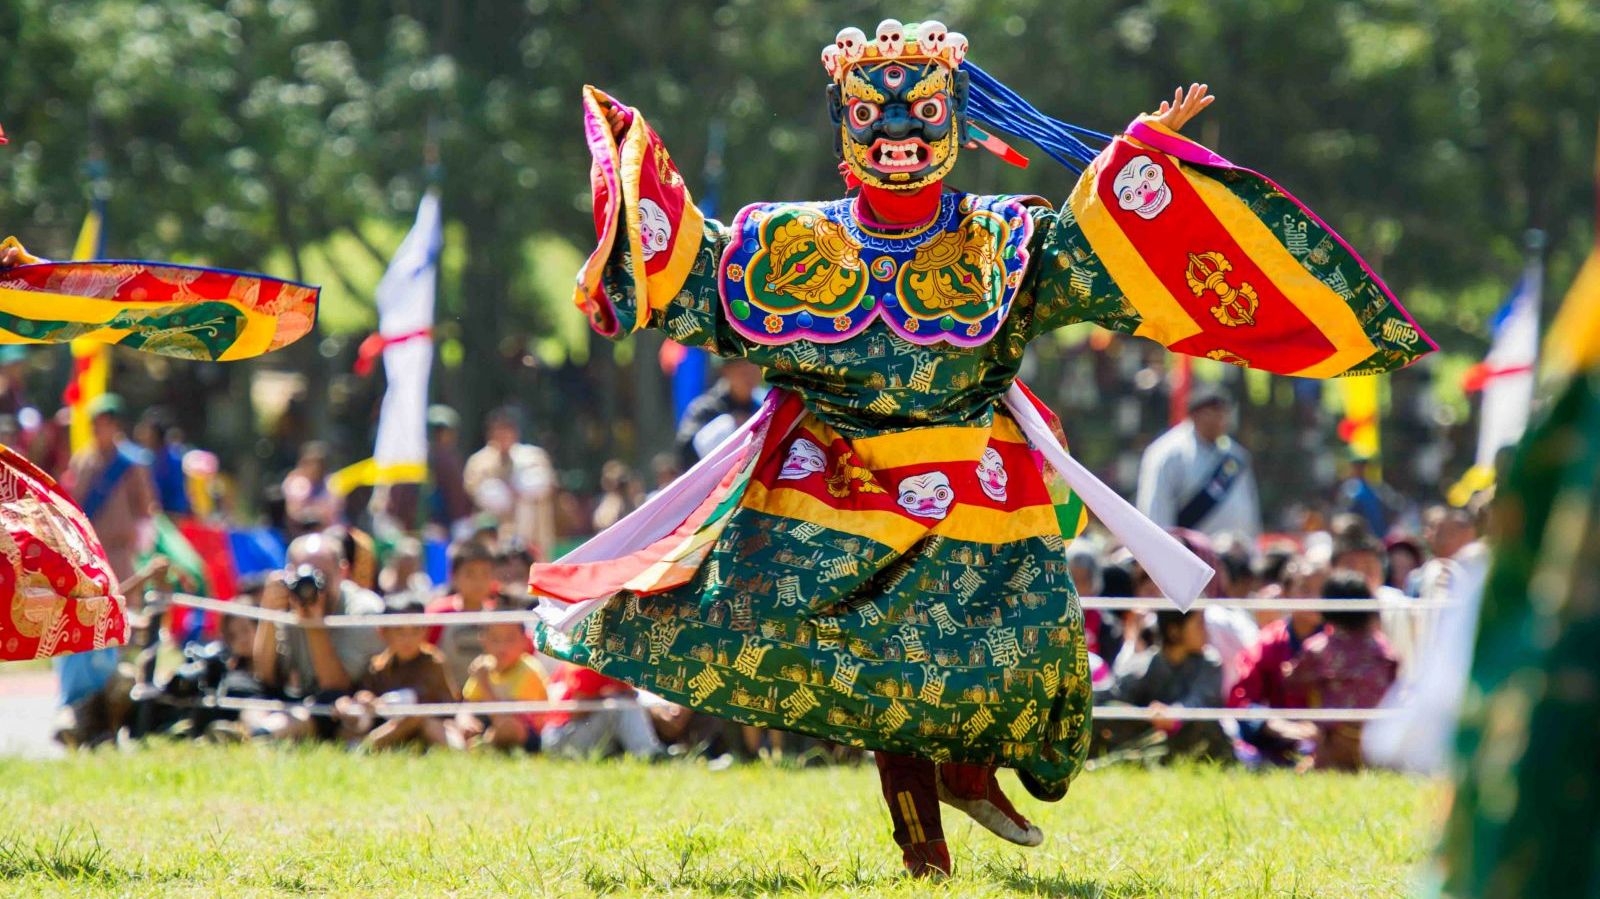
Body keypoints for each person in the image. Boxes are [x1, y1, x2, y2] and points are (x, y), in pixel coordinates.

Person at [538, 18, 1432, 878]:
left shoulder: (1001, 234)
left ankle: (971, 771)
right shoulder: (788, 237)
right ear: (841, 124)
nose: (896, 130)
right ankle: (923, 846)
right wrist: (637, 169)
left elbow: (1093, 253)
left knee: (1032, 643)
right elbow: (699, 280)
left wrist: (1138, 158)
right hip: (835, 483)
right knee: (880, 662)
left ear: (957, 119)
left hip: (975, 481)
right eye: (871, 113)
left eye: (920, 111)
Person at [248, 533, 385, 740]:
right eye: (302, 576)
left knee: (326, 701)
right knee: (248, 691)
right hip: (303, 699)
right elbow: (266, 676)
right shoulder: (286, 602)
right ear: (288, 574)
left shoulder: (365, 611)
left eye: (321, 576)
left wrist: (314, 625)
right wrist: (268, 616)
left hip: (348, 707)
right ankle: (249, 731)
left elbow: (336, 686)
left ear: (343, 571)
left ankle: (263, 733)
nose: (309, 587)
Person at [1282, 569, 1398, 770]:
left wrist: (1288, 669)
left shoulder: (1320, 649)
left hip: (1335, 746)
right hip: (1379, 744)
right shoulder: (1383, 648)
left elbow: (1291, 681)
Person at [334, 592, 461, 751]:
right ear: (383, 632)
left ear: (425, 631)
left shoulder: (433, 662)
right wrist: (364, 699)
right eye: (399, 631)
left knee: (416, 717)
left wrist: (383, 704)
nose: (408, 639)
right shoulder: (378, 665)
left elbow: (431, 704)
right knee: (348, 718)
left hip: (426, 725)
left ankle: (367, 746)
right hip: (384, 724)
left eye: (415, 630)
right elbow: (364, 694)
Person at [1136, 387, 1261, 540]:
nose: (1221, 418)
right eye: (1213, 411)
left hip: (1233, 556)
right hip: (1187, 554)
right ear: (1195, 414)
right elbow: (1155, 510)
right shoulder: (1169, 453)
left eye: (1224, 412)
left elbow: (1249, 510)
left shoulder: (1235, 456)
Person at [1107, 609, 1229, 759]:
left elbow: (1199, 700)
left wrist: (1172, 715)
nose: (1206, 631)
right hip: (1151, 736)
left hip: (1196, 741)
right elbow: (1114, 695)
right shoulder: (1145, 665)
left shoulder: (1209, 665)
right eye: (1199, 624)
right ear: (1174, 631)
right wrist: (1146, 715)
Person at [1228, 602, 1324, 765]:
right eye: (1305, 588)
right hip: (1278, 738)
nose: (1313, 597)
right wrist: (1274, 724)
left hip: (1329, 740)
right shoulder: (1267, 643)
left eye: (1319, 589)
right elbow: (1243, 701)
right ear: (1288, 594)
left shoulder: (1339, 644)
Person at [463, 406, 557, 561]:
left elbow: (549, 486)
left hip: (534, 538)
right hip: (496, 539)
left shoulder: (534, 457)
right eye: (499, 430)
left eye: (508, 429)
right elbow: (473, 491)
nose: (503, 435)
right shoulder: (479, 462)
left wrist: (522, 490)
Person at [424, 539, 506, 688]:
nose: (478, 582)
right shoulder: (438, 614)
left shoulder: (499, 616)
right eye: (470, 574)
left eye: (485, 574)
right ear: (454, 577)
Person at [540, 662, 662, 760]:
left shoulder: (620, 660)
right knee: (619, 704)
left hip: (573, 733)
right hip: (560, 738)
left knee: (623, 703)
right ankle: (649, 754)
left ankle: (652, 750)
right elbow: (577, 711)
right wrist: (609, 696)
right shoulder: (591, 658)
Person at [459, 621, 549, 752]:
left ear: (525, 640)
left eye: (510, 639)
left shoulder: (529, 670)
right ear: (483, 640)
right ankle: (474, 745)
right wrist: (465, 720)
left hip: (526, 732)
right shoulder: (484, 666)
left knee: (508, 727)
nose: (502, 647)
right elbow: (468, 703)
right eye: (495, 639)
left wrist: (484, 683)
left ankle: (482, 748)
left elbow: (505, 719)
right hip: (489, 724)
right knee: (453, 726)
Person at [675, 359, 763, 469]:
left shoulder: (765, 407)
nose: (749, 374)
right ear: (726, 371)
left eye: (754, 366)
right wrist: (729, 427)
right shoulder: (705, 409)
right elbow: (686, 453)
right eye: (742, 368)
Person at [425, 404, 472, 536]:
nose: (442, 437)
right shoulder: (414, 459)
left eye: (446, 432)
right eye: (437, 432)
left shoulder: (452, 460)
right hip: (421, 529)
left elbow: (460, 504)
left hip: (452, 526)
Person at [281, 441, 337, 527]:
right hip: (298, 529)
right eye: (312, 463)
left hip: (326, 530)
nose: (316, 467)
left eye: (320, 463)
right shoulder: (295, 482)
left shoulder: (330, 482)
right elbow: (292, 510)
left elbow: (333, 510)